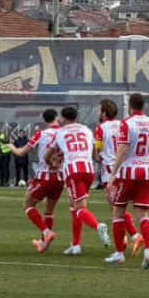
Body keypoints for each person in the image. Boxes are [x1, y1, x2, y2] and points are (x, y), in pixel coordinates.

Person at [104, 93, 149, 269]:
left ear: (130, 105)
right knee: (142, 214)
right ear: (143, 105)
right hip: (146, 173)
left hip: (127, 174)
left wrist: (113, 173)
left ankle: (119, 255)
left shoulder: (127, 123)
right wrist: (145, 159)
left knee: (118, 212)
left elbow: (122, 149)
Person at [45, 106, 110, 256]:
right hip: (89, 170)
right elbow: (95, 155)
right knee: (74, 207)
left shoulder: (60, 132)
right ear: (77, 117)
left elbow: (47, 156)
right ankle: (76, 245)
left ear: (62, 118)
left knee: (79, 208)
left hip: (74, 171)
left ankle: (98, 226)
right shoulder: (87, 130)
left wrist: (51, 164)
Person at [7, 109, 64, 252]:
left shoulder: (41, 134)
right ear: (57, 118)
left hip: (45, 176)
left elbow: (21, 152)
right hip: (60, 177)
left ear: (45, 121)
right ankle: (43, 242)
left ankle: (46, 233)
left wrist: (10, 145)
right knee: (49, 211)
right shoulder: (65, 133)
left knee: (28, 205)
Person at [95, 98, 143, 258]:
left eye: (99, 110)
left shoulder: (101, 128)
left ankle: (135, 236)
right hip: (124, 167)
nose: (97, 112)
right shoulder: (123, 124)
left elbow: (97, 151)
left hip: (110, 171)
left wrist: (96, 154)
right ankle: (123, 239)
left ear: (104, 113)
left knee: (117, 207)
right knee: (116, 205)